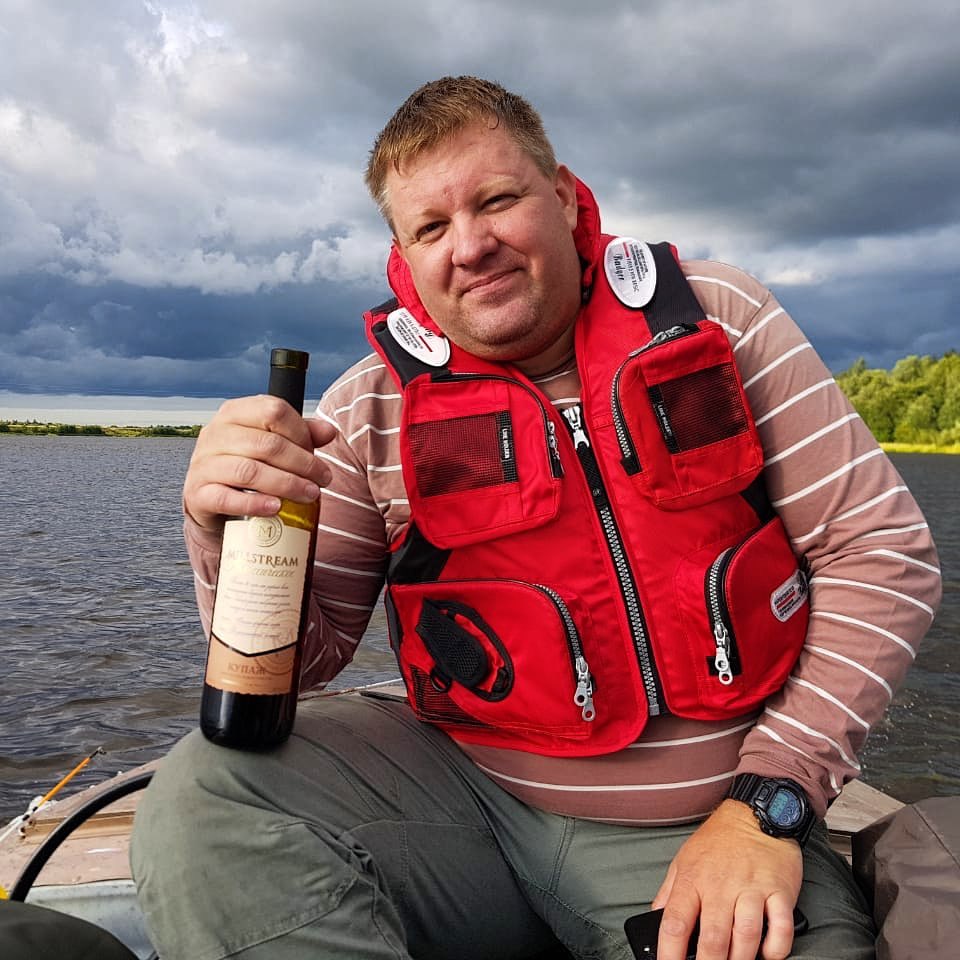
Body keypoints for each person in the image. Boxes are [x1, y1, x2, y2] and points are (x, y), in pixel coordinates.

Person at [131, 77, 941, 960]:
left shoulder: (717, 318)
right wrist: (219, 530)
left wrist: (768, 804)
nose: (470, 246)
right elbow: (306, 662)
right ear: (402, 253)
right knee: (209, 790)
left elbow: (880, 553)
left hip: (715, 827)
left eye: (496, 200)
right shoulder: (368, 407)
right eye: (430, 227)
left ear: (561, 194)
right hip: (467, 810)